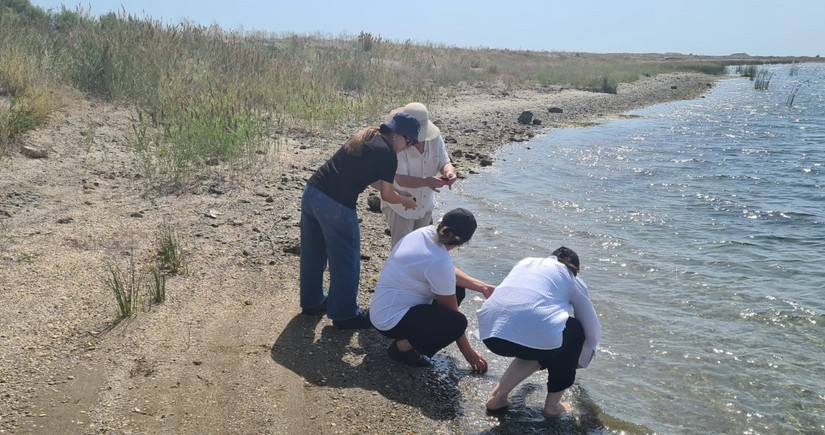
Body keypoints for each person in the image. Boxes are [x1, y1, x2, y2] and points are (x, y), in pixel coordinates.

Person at [299, 113, 419, 330]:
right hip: (336, 205)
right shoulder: (388, 155)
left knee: (313, 253)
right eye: (409, 141)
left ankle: (312, 302)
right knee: (347, 260)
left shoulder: (368, 136)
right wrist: (406, 201)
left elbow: (371, 178)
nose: (407, 147)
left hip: (312, 193)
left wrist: (398, 191)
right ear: (397, 135)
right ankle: (344, 315)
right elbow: (388, 196)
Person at [476, 247, 601, 415]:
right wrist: (581, 360)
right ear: (575, 268)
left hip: (491, 335)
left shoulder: (526, 262)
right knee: (573, 330)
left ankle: (497, 398)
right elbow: (592, 330)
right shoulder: (572, 276)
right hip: (530, 340)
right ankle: (552, 406)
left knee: (538, 334)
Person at [369, 208, 495, 370]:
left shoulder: (424, 233)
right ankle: (401, 348)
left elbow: (445, 271)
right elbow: (452, 315)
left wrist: (483, 287)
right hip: (390, 321)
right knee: (457, 323)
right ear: (463, 242)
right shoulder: (438, 261)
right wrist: (468, 353)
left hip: (383, 309)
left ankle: (413, 337)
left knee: (458, 290)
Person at [381, 102, 457, 247]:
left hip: (425, 205)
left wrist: (449, 172)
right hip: (400, 206)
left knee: (421, 249)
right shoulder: (397, 143)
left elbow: (444, 162)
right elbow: (399, 179)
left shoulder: (435, 139)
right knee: (401, 249)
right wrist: (427, 181)